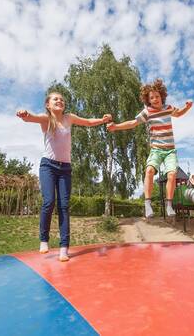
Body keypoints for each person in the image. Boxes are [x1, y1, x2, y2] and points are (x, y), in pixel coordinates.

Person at [17, 92, 112, 261]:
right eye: (56, 99)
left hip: (65, 168)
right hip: (48, 166)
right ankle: (44, 240)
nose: (60, 101)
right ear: (48, 104)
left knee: (64, 206)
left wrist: (102, 120)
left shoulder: (69, 118)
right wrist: (24, 113)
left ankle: (63, 248)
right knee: (49, 201)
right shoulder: (46, 119)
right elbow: (30, 118)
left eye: (62, 99)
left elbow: (88, 122)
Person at [107, 79, 192, 218]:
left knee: (172, 175)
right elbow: (133, 123)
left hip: (170, 150)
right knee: (149, 170)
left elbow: (179, 113)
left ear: (162, 96)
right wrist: (116, 126)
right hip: (156, 150)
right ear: (148, 100)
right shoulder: (147, 112)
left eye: (157, 96)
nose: (155, 99)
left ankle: (169, 205)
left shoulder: (168, 107)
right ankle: (147, 204)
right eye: (151, 98)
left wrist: (187, 107)